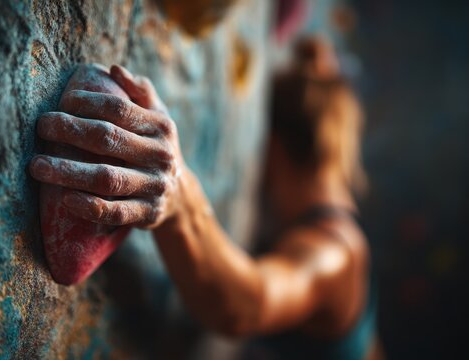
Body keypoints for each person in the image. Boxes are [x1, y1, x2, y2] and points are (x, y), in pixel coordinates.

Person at [29, 36, 380, 359]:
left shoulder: (336, 255)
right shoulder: (331, 233)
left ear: (272, 151)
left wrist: (182, 200)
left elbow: (248, 304)